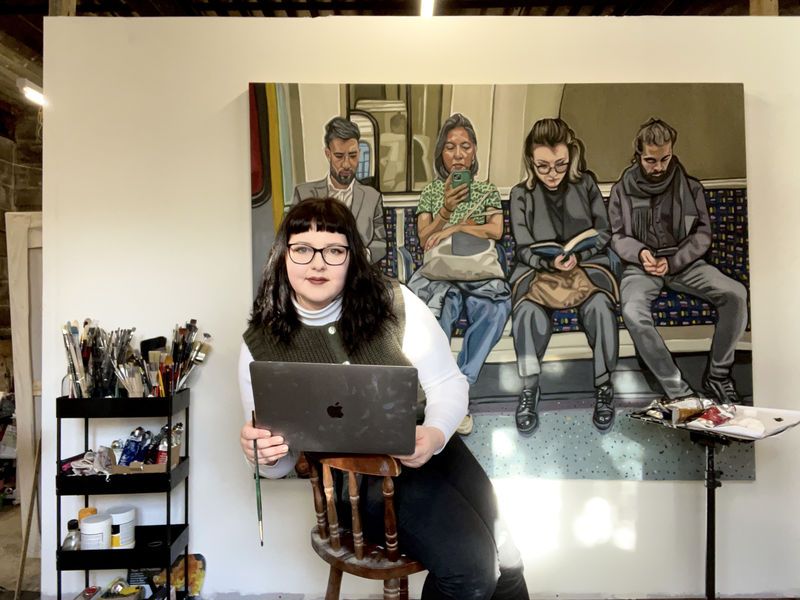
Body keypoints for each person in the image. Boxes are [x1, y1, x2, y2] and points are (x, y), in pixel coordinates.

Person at [239, 198, 528, 600]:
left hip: (424, 447)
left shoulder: (394, 303)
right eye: (302, 248)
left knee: (509, 556)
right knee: (473, 574)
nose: (317, 263)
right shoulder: (261, 344)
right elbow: (280, 462)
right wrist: (263, 456)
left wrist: (436, 434)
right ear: (283, 256)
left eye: (334, 250)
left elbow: (449, 384)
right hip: (357, 483)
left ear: (351, 257)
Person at [608, 118, 748, 404]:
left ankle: (719, 375)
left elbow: (702, 235)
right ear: (638, 156)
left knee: (736, 294)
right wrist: (641, 254)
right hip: (641, 268)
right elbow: (617, 236)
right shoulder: (621, 190)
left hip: (684, 264)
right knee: (633, 312)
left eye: (665, 159)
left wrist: (673, 263)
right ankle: (678, 391)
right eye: (650, 160)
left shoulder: (691, 188)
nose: (659, 167)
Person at [508, 118, 619, 435]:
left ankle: (604, 387)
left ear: (570, 158)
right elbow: (522, 247)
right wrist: (549, 264)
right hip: (540, 273)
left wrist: (579, 255)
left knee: (600, 308)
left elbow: (603, 231)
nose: (552, 174)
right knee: (527, 313)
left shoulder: (585, 184)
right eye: (543, 167)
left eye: (560, 165)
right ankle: (529, 389)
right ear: (531, 161)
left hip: (585, 269)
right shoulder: (521, 194)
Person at [406, 113, 511, 435]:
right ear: (441, 153)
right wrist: (446, 210)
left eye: (465, 146)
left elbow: (495, 229)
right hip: (442, 272)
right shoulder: (432, 193)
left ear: (475, 150)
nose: (458, 154)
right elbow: (425, 238)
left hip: (478, 269)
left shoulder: (487, 190)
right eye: (450, 147)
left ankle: (458, 390)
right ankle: (442, 396)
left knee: (495, 310)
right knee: (440, 311)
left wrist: (459, 226)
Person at [292, 116, 388, 264]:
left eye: (353, 156)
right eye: (339, 156)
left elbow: (380, 243)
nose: (346, 164)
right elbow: (293, 240)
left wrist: (361, 258)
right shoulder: (304, 194)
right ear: (328, 154)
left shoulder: (372, 197)